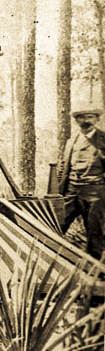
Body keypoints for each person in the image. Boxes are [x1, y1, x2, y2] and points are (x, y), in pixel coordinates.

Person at [56, 103, 105, 260]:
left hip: (94, 191)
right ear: (77, 121)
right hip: (72, 190)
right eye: (81, 117)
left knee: (95, 231)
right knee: (57, 223)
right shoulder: (72, 140)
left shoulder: (102, 139)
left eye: (90, 116)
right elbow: (64, 165)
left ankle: (96, 271)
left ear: (97, 119)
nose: (86, 120)